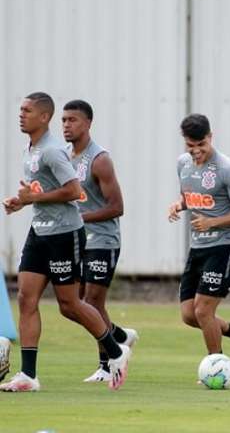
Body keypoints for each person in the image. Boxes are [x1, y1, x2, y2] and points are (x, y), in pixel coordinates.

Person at [1, 92, 130, 392]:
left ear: (43, 117)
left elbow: (72, 191)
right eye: (20, 110)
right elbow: (42, 192)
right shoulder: (31, 149)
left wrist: (34, 198)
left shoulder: (52, 151)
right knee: (25, 298)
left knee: (70, 304)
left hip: (65, 234)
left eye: (27, 111)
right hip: (39, 232)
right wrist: (22, 202)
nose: (21, 115)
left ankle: (116, 351)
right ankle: (28, 376)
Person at [167, 114, 230, 374]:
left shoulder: (227, 169)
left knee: (203, 310)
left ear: (211, 137)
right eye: (190, 145)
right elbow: (190, 198)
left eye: (201, 144)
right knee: (189, 314)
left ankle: (217, 368)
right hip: (198, 248)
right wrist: (179, 204)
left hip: (224, 247)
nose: (196, 151)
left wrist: (212, 223)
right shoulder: (183, 164)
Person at [62, 99, 139, 383]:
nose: (67, 125)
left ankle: (107, 365)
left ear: (88, 123)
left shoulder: (99, 159)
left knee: (92, 301)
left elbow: (117, 206)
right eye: (64, 120)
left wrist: (82, 219)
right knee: (75, 304)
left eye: (73, 120)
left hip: (103, 240)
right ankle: (120, 336)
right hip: (78, 240)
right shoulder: (64, 157)